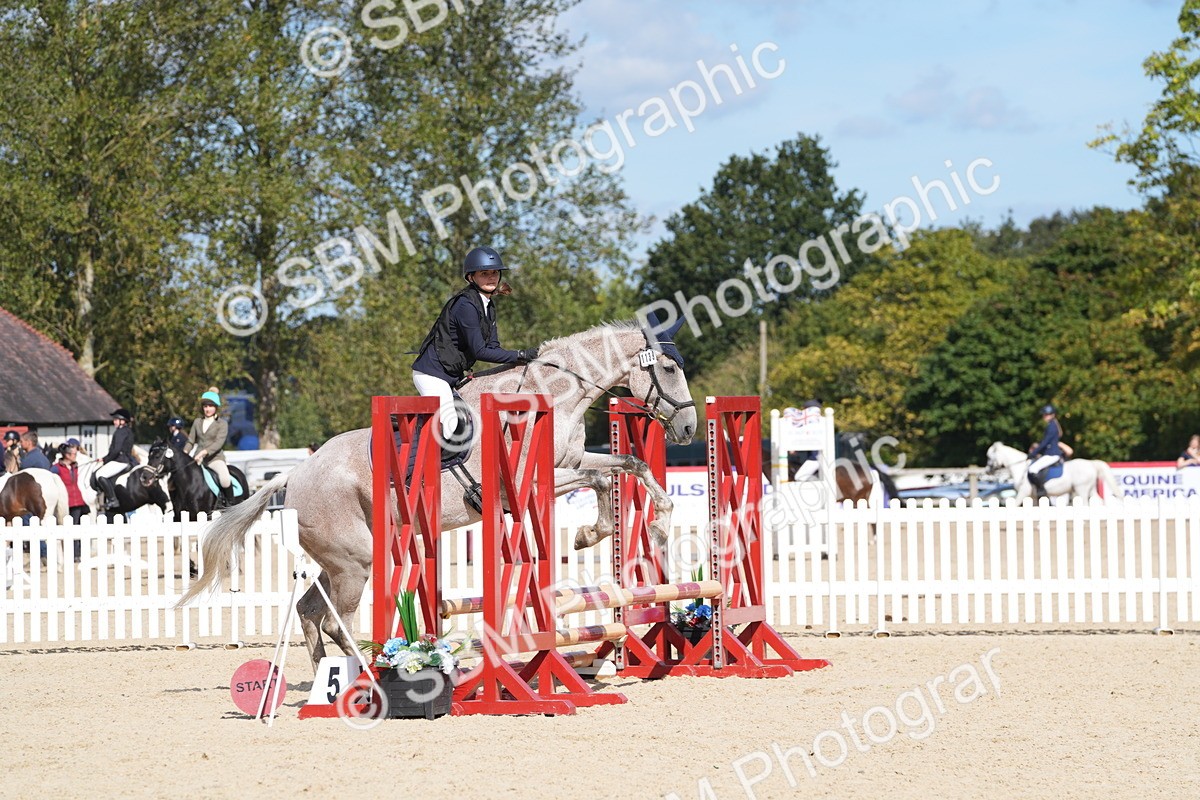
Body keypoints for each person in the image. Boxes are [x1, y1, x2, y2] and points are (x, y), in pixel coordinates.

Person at [411, 246, 539, 443]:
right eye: (484, 273)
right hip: (432, 375)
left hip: (452, 376)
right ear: (471, 277)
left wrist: (521, 360)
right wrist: (521, 354)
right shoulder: (466, 305)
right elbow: (480, 351)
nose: (491, 277)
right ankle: (418, 470)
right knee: (451, 427)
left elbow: (494, 347)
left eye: (494, 272)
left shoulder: (488, 306)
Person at [187, 387, 233, 507]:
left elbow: (218, 443)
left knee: (225, 479)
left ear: (215, 407)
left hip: (214, 459)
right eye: (205, 406)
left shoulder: (222, 424)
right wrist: (184, 452)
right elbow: (190, 441)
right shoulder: (197, 422)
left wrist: (203, 453)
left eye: (210, 406)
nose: (207, 409)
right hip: (196, 459)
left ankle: (230, 505)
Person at [51, 443, 88, 561]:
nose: (75, 456)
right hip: (65, 501)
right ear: (66, 455)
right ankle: (68, 553)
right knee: (66, 528)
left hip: (77, 500)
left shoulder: (75, 466)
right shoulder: (56, 468)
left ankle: (76, 554)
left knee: (77, 528)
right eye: (73, 454)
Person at [96, 408, 136, 510]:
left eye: (116, 419)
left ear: (122, 421)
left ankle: (113, 499)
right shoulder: (128, 431)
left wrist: (106, 460)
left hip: (121, 460)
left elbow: (116, 450)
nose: (114, 421)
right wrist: (104, 458)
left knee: (99, 474)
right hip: (126, 459)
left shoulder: (120, 432)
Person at [1027, 404, 1065, 500]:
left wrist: (1033, 453)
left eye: (1046, 414)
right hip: (1050, 453)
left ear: (1052, 415)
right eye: (1044, 415)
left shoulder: (1051, 426)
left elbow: (1045, 443)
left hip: (1052, 454)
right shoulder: (1051, 425)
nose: (1044, 416)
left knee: (1032, 469)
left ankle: (1041, 490)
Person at [789, 399, 823, 481]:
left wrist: (795, 448)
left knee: (799, 477)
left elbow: (808, 440)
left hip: (815, 459)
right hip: (818, 458)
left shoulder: (812, 425)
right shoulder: (819, 422)